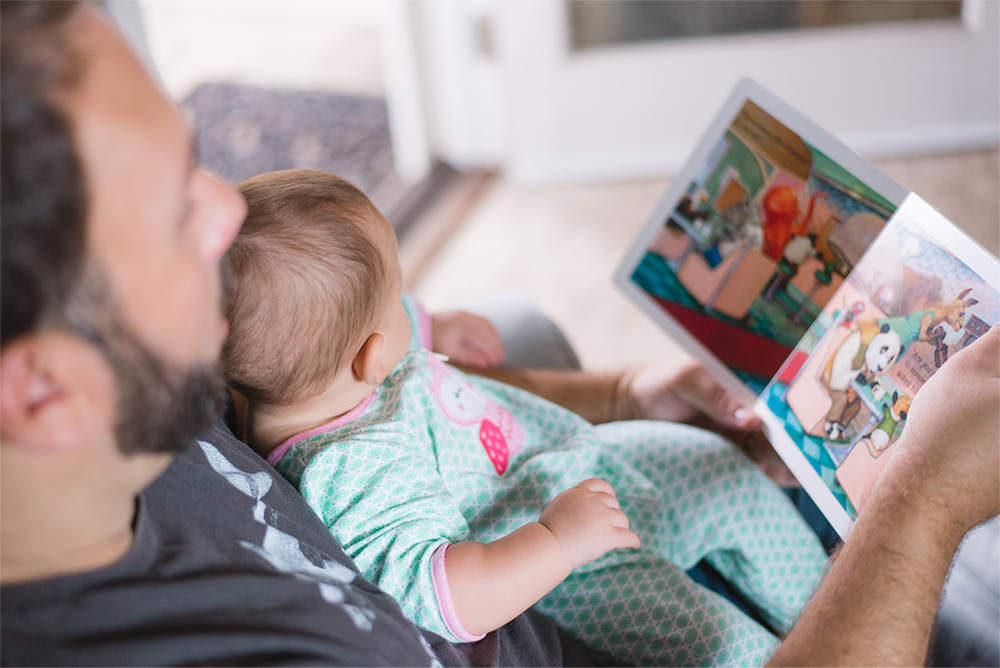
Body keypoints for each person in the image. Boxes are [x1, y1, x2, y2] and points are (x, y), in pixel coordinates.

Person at [0, 2, 998, 666]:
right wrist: (924, 502)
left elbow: (403, 391)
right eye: (174, 211)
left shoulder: (170, 365)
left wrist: (619, 391)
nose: (226, 210)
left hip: (595, 482)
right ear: (42, 392)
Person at [222, 169, 827, 666]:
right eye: (398, 297)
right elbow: (445, 595)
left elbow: (367, 321)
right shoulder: (353, 469)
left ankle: (826, 606)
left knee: (718, 466)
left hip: (574, 458)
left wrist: (432, 323)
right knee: (725, 649)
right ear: (372, 356)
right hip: (577, 565)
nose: (408, 304)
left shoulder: (316, 374)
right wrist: (556, 541)